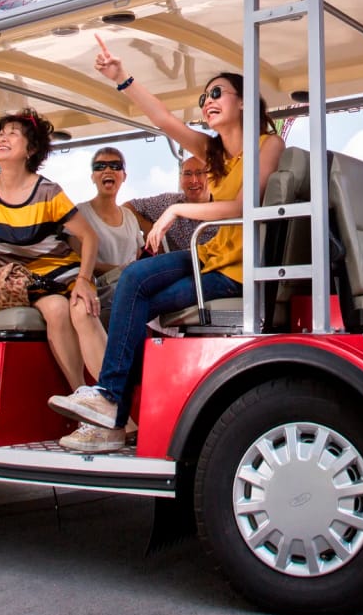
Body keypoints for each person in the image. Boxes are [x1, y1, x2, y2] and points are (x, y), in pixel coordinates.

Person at [50, 44, 284, 453]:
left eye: (216, 93)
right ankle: (111, 406)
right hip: (210, 260)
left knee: (141, 302)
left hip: (237, 272)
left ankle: (112, 411)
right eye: (203, 98)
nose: (207, 102)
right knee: (134, 279)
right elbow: (162, 119)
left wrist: (177, 208)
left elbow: (247, 205)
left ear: (244, 100)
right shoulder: (213, 151)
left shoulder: (267, 145)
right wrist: (121, 77)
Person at [0, 110, 103, 396]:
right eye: (0, 134)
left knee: (82, 309)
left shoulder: (48, 191)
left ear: (31, 149)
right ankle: (82, 399)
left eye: (12, 133)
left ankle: (112, 402)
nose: (2, 138)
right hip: (21, 281)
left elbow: (89, 237)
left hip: (64, 272)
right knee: (56, 308)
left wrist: (84, 279)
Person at [77, 147, 143, 302]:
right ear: (93, 177)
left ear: (124, 176)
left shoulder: (129, 216)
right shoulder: (80, 213)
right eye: (99, 166)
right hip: (99, 291)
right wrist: (120, 271)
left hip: (133, 287)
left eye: (115, 166)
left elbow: (139, 257)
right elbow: (77, 260)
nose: (107, 170)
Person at [124, 154, 210, 252]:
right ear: (181, 179)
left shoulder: (224, 204)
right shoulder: (168, 202)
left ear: (210, 177)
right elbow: (127, 207)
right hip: (178, 264)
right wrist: (148, 228)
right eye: (187, 174)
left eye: (199, 173)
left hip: (217, 261)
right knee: (133, 267)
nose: (193, 180)